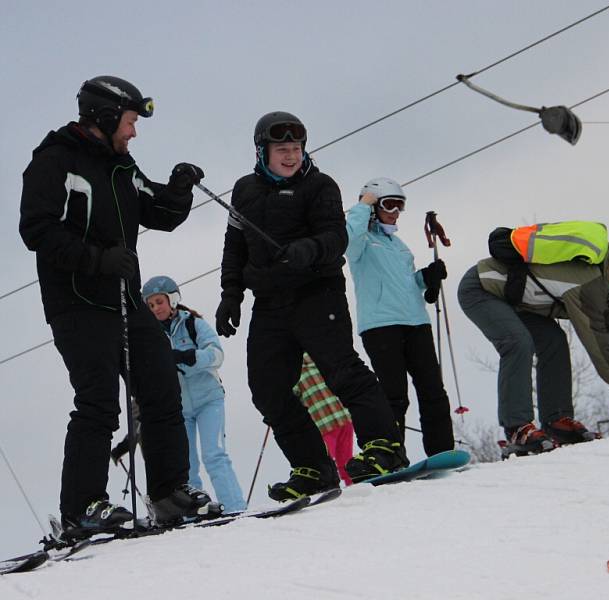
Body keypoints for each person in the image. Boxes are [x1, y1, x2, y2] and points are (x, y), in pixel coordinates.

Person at [19, 75, 214, 535]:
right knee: (99, 403)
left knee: (162, 387)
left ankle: (169, 493)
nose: (134, 133)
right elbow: (37, 230)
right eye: (129, 122)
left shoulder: (122, 168)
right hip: (78, 303)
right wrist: (97, 259)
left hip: (126, 302)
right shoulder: (55, 161)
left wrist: (181, 188)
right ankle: (82, 508)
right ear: (105, 118)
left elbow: (159, 212)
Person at [215, 111, 409, 498]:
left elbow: (335, 237)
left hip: (316, 294)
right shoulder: (244, 191)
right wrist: (230, 295)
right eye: (281, 148)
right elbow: (235, 246)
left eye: (296, 148)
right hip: (269, 302)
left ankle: (385, 448)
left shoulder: (320, 186)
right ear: (262, 151)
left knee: (342, 372)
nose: (290, 156)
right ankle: (313, 468)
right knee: (267, 389)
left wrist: (308, 249)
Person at [457, 224, 609, 454]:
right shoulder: (588, 283)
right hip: (482, 289)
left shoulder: (599, 280)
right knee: (517, 342)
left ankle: (557, 420)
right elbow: (597, 340)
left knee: (554, 341)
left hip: (513, 299)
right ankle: (517, 428)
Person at [345, 177, 454, 456]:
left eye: (400, 205)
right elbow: (346, 238)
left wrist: (426, 278)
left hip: (416, 322)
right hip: (381, 325)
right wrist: (362, 206)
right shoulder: (362, 242)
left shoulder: (399, 245)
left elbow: (407, 282)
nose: (394, 211)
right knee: (394, 395)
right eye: (388, 204)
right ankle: (391, 455)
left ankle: (441, 450)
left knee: (433, 390)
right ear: (372, 207)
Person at [142, 275, 247, 513]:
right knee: (186, 465)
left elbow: (216, 355)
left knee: (214, 454)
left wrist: (191, 357)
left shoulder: (193, 323)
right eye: (151, 305)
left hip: (209, 399)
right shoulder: (151, 335)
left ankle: (234, 507)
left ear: (172, 300)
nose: (156, 308)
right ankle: (194, 512)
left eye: (159, 301)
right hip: (179, 408)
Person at [294, 353, 355, 486]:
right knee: (345, 457)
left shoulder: (293, 374)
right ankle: (351, 482)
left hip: (323, 423)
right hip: (342, 416)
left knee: (326, 459)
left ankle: (327, 483)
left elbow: (292, 397)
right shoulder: (319, 361)